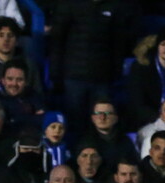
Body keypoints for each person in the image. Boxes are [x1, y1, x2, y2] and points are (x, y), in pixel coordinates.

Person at [48, 0, 138, 139]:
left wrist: (115, 74)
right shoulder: (71, 5)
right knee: (75, 123)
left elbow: (118, 44)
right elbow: (58, 41)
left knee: (102, 124)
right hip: (74, 77)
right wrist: (55, 74)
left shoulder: (114, 6)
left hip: (102, 78)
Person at [0, 16, 43, 94]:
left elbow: (37, 95)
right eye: (1, 35)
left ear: (17, 41)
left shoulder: (29, 64)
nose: (6, 39)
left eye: (10, 35)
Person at [80, 99, 140, 172]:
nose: (102, 117)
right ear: (93, 118)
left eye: (107, 113)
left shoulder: (125, 141)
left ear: (116, 118)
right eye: (98, 113)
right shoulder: (84, 143)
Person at [0, 61, 45, 131]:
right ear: (3, 80)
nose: (14, 84)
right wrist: (29, 117)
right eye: (10, 79)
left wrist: (15, 119)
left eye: (19, 80)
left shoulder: (33, 95)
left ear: (26, 82)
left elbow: (42, 119)